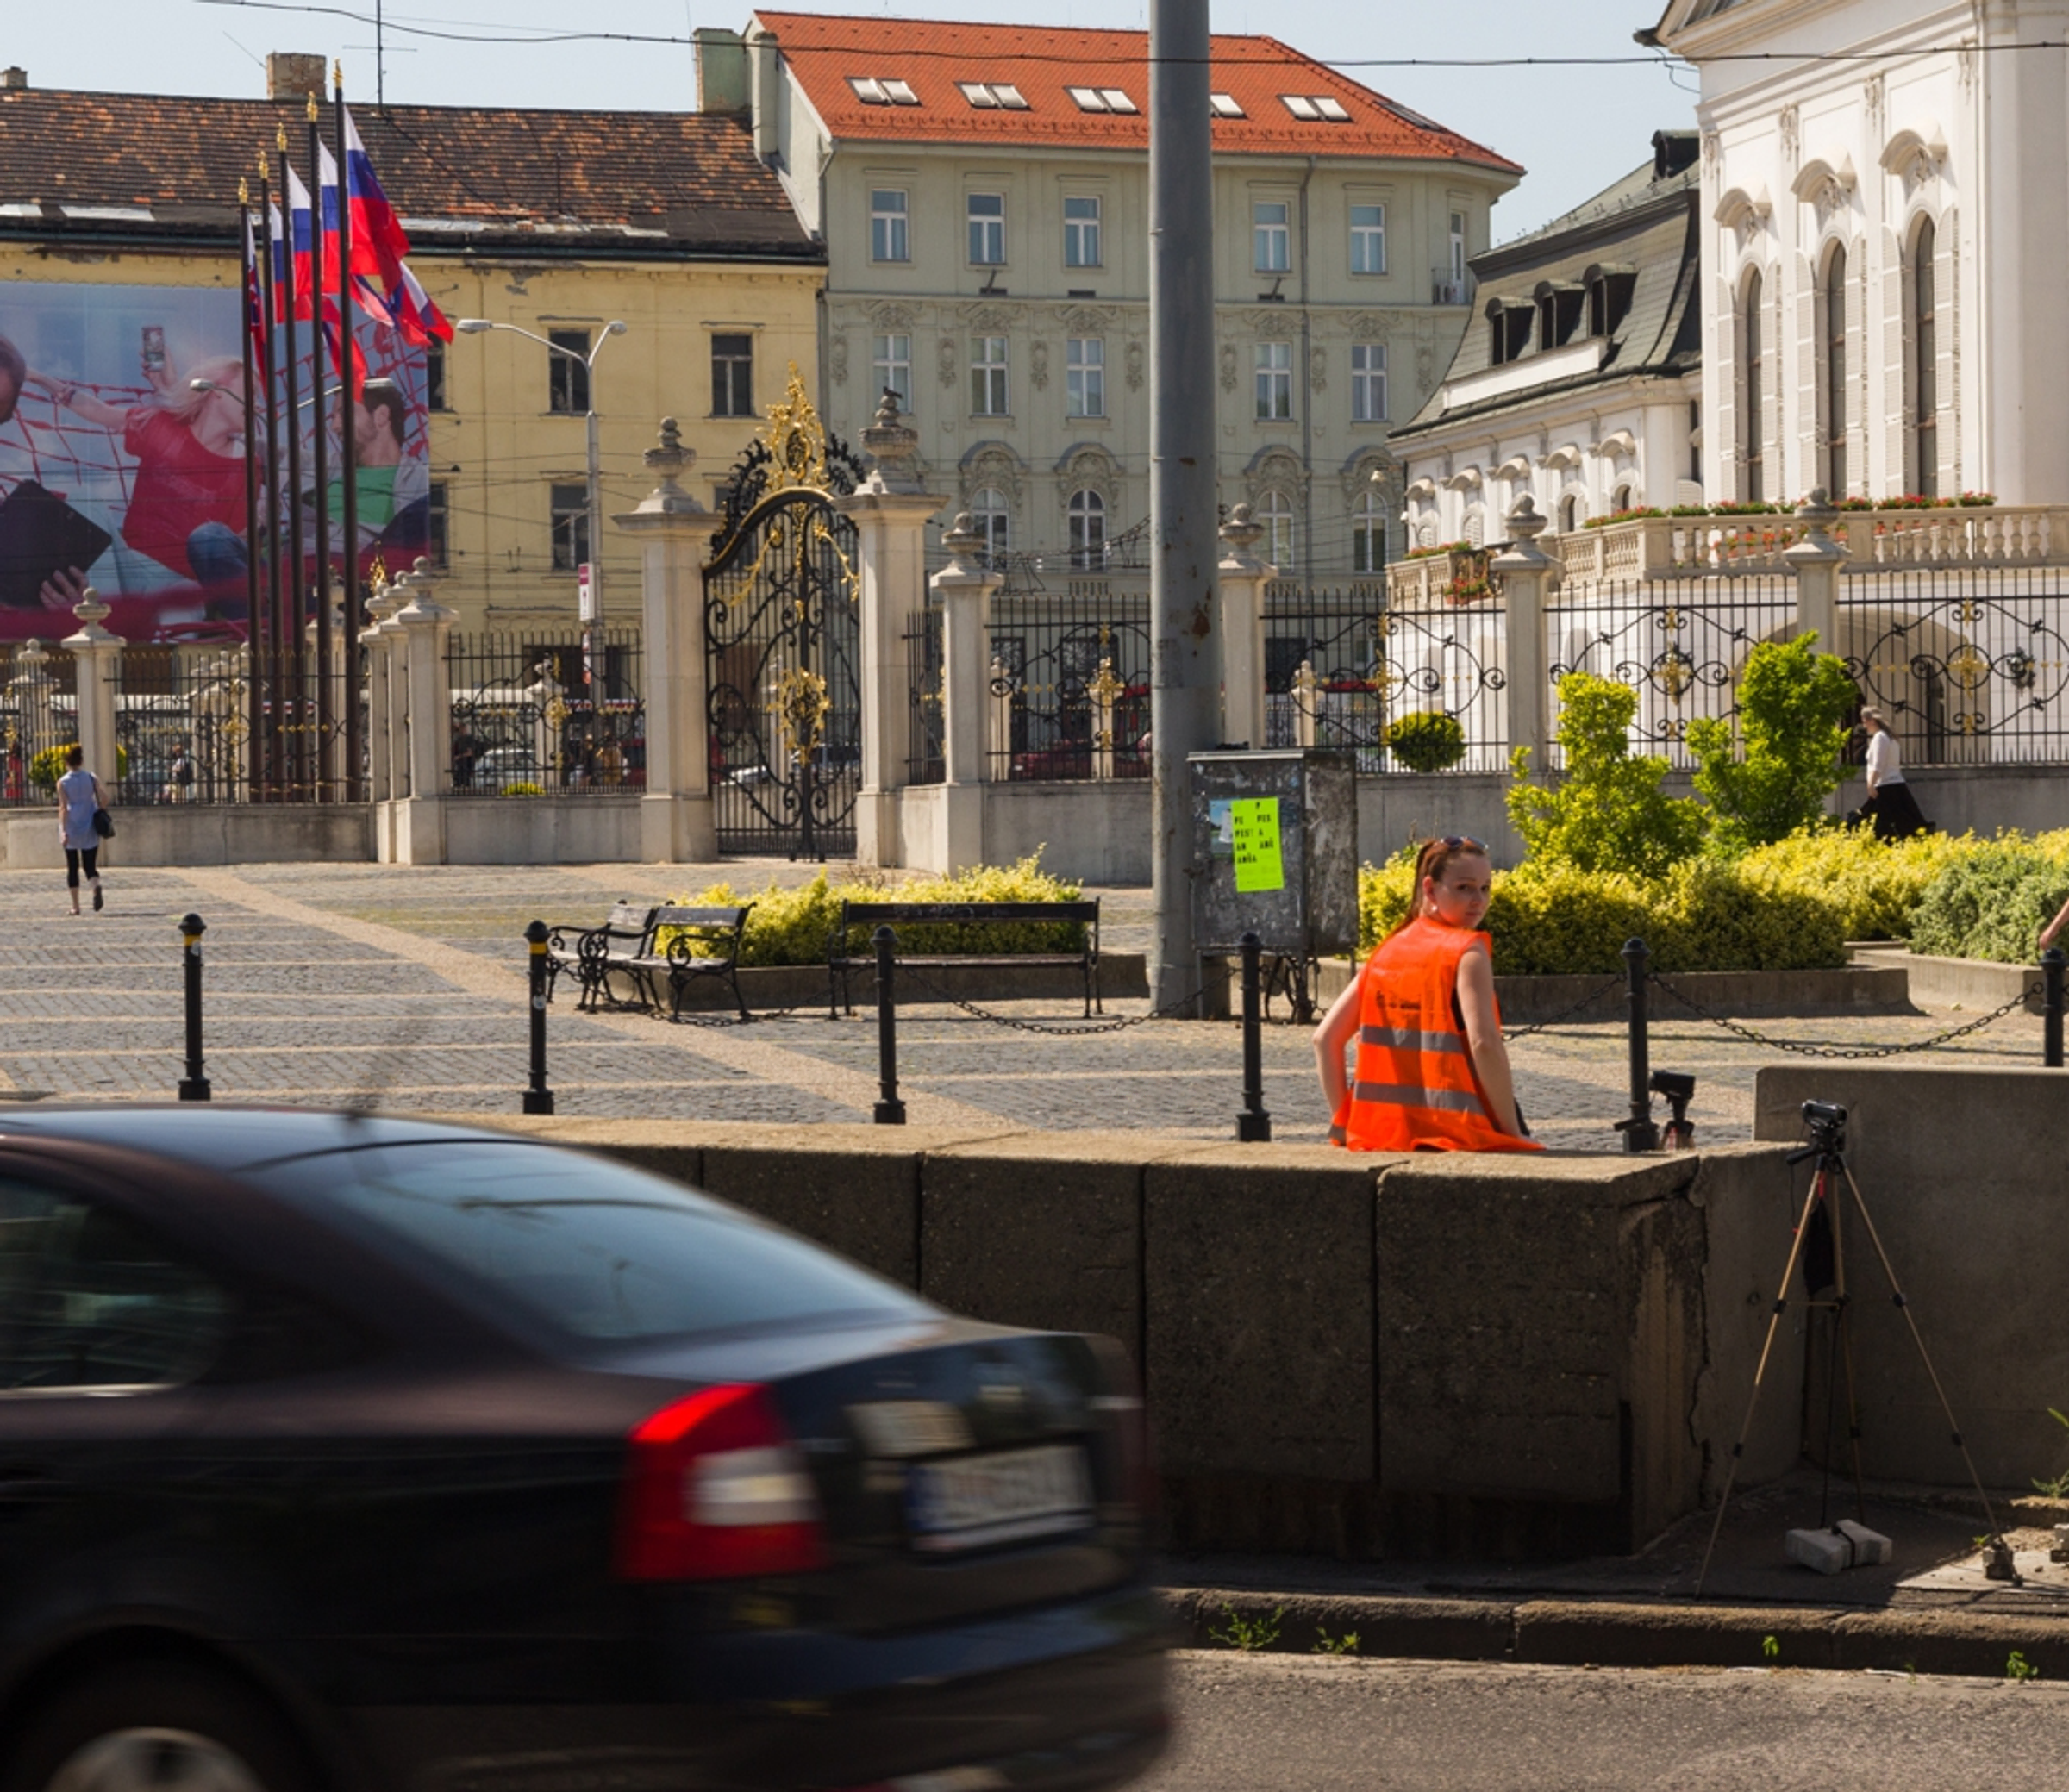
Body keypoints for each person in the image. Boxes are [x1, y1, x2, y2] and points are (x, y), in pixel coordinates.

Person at [1313, 834, 1542, 1153]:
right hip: (1466, 1128)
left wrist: (1346, 1122)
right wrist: (1512, 1132)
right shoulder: (1466, 951)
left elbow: (1326, 1040)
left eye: (1485, 887)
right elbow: (1484, 1044)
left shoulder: (1387, 953)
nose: (1479, 899)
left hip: (1387, 1136)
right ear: (1430, 889)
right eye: (1464, 887)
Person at [45, 353, 247, 581]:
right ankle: (102, 614)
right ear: (217, 391)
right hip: (130, 568)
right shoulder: (163, 428)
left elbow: (234, 551)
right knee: (84, 499)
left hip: (180, 588)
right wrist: (36, 378)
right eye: (251, 392)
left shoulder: (247, 468)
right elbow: (100, 412)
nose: (257, 404)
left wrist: (266, 512)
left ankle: (108, 612)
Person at [1855, 708, 1929, 841]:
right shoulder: (1890, 737)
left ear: (1872, 721)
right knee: (1904, 825)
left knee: (1875, 826)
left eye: (1865, 722)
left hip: (1885, 786)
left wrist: (1871, 784)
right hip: (1896, 785)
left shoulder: (1880, 738)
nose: (1865, 726)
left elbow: (1878, 764)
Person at [55, 744, 107, 916]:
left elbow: (63, 807)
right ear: (81, 761)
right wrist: (97, 808)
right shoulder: (91, 778)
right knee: (89, 864)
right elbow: (105, 798)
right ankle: (95, 886)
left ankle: (76, 906)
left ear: (66, 763)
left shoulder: (62, 782)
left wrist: (63, 830)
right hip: (89, 823)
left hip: (71, 825)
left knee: (72, 866)